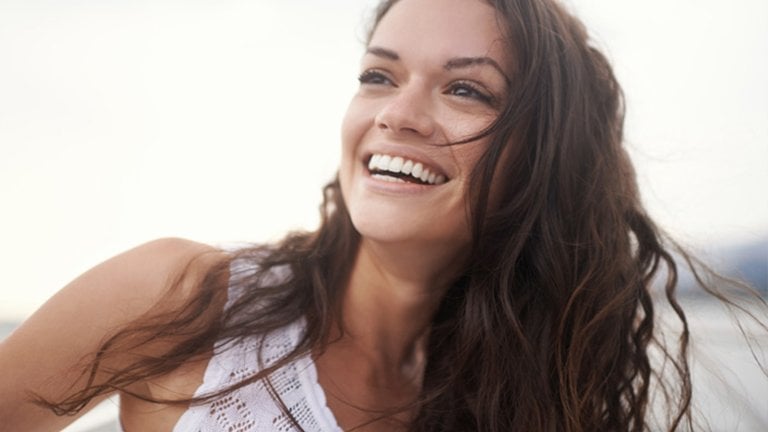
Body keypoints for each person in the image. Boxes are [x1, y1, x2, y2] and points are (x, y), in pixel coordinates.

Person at [1, 0, 764, 431]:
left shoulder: (528, 401)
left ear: (541, 158)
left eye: (465, 90)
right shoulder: (183, 295)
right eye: (379, 75)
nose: (399, 114)